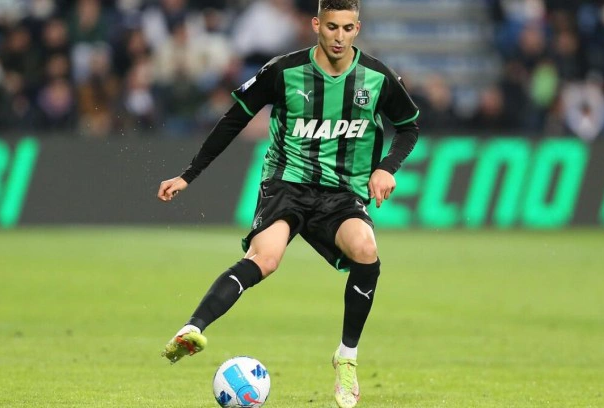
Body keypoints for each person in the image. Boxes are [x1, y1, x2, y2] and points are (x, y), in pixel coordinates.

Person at [156, 1, 419, 407]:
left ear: (357, 28)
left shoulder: (377, 77)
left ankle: (346, 357)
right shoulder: (283, 71)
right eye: (331, 27)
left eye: (347, 28)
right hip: (287, 184)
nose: (339, 37)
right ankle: (191, 329)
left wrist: (386, 168)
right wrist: (189, 174)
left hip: (342, 193)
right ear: (316, 24)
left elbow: (408, 127)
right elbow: (234, 119)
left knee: (366, 250)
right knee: (266, 259)